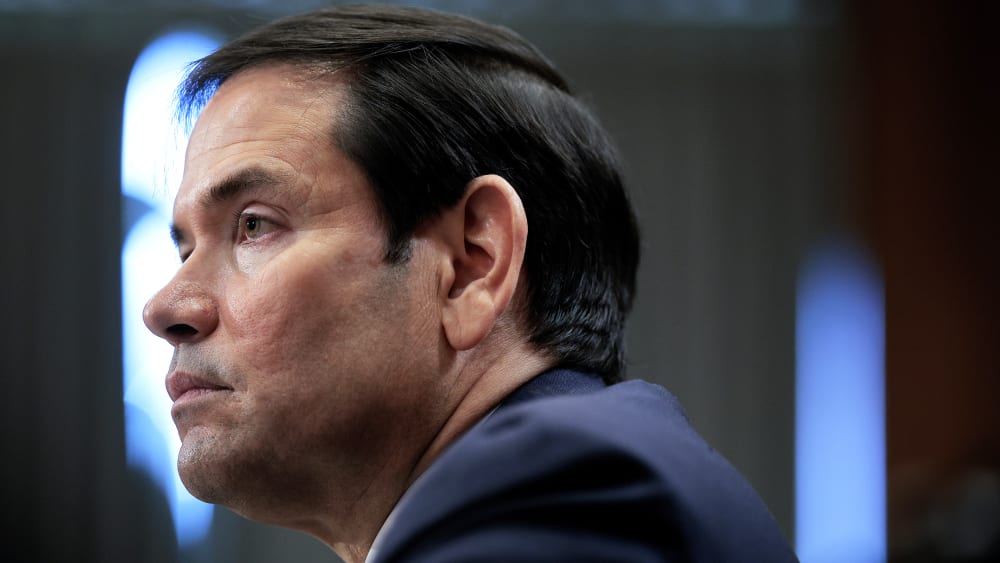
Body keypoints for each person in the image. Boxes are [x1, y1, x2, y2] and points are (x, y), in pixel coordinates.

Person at [142, 5, 796, 562]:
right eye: (185, 246)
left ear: (472, 265)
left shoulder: (562, 497)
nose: (166, 306)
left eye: (254, 225)